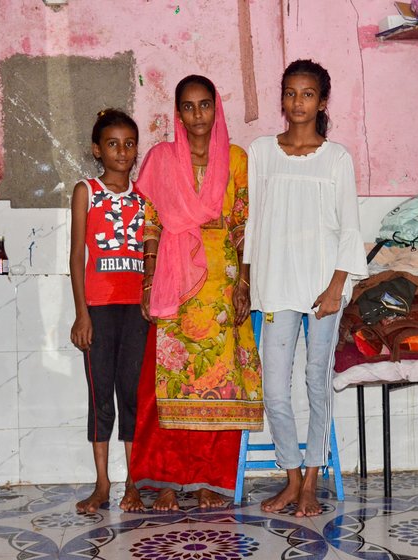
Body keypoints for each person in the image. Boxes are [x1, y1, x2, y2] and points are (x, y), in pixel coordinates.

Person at [125, 75, 264, 512]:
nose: (197, 115)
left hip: (221, 283)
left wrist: (244, 283)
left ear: (216, 108)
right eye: (189, 106)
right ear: (178, 112)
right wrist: (148, 282)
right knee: (171, 384)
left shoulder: (237, 159)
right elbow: (150, 224)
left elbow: (244, 224)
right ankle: (169, 480)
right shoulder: (162, 158)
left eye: (205, 105)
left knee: (220, 387)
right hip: (173, 279)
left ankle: (210, 481)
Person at [243, 59, 368, 517]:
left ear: (322, 100)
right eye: (291, 93)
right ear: (282, 98)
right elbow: (253, 224)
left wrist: (337, 286)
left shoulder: (337, 158)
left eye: (308, 94)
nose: (299, 102)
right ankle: (291, 478)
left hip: (323, 290)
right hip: (275, 285)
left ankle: (312, 482)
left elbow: (350, 230)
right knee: (275, 389)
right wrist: (246, 280)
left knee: (317, 381)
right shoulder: (260, 152)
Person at [69, 109, 149, 513]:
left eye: (129, 143)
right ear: (98, 150)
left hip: (136, 312)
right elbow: (75, 256)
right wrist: (82, 314)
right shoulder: (86, 190)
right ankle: (102, 484)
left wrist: (151, 301)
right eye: (113, 144)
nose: (122, 151)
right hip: (98, 310)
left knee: (132, 396)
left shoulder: (144, 197)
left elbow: (152, 257)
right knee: (101, 399)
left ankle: (134, 482)